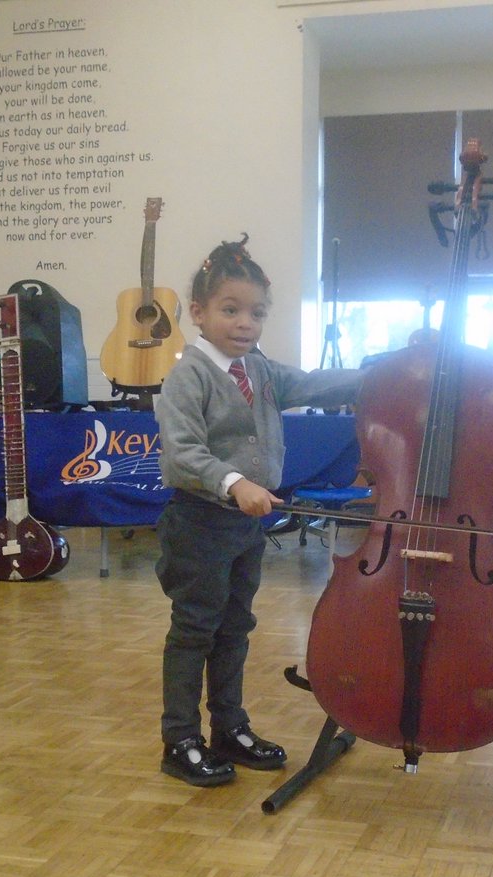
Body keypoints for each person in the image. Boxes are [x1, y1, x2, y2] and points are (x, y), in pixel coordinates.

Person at [154, 234, 360, 786]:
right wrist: (234, 482)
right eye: (231, 310)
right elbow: (183, 451)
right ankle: (180, 739)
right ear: (198, 313)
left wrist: (388, 371)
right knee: (194, 629)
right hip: (199, 523)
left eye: (257, 313)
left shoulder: (261, 369)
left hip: (244, 528)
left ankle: (229, 727)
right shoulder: (188, 376)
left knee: (234, 627)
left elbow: (316, 382)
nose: (245, 323)